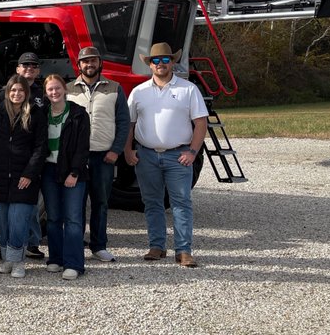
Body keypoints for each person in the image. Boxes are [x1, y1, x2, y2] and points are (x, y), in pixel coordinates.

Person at [124, 42, 209, 268]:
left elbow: (201, 123)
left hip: (178, 156)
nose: (160, 64)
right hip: (146, 156)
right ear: (150, 65)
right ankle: (157, 246)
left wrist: (192, 151)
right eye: (156, 61)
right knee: (151, 202)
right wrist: (127, 150)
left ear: (172, 62)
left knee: (181, 202)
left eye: (165, 60)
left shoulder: (188, 89)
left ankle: (183, 251)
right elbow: (129, 124)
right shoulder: (138, 92)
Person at [67, 46, 130, 262]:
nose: (89, 65)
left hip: (104, 156)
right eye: (85, 61)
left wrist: (116, 150)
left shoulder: (115, 88)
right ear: (79, 65)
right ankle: (75, 245)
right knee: (75, 204)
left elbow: (123, 122)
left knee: (101, 202)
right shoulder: (68, 90)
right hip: (77, 158)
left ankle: (98, 245)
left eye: (93, 61)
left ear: (99, 63)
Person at [0, 75, 47, 278]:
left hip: (24, 178)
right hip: (1, 177)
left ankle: (18, 262)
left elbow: (40, 147)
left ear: (26, 93)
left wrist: (29, 173)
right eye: (13, 91)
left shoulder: (35, 114)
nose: (16, 94)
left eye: (20, 90)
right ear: (7, 93)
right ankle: (8, 260)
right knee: (5, 221)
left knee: (19, 221)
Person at [41, 74, 91, 280]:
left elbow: (82, 147)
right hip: (48, 171)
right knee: (53, 218)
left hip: (72, 172)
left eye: (57, 88)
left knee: (72, 219)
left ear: (65, 89)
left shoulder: (78, 114)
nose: (54, 92)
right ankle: (56, 258)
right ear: (46, 93)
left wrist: (75, 173)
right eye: (50, 89)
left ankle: (74, 263)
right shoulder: (42, 114)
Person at [13, 51, 47, 260]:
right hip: (13, 155)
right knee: (8, 204)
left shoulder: (43, 95)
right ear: (17, 68)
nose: (29, 69)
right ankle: (5, 242)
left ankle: (32, 242)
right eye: (25, 65)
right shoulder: (7, 92)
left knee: (33, 202)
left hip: (35, 154)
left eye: (33, 66)